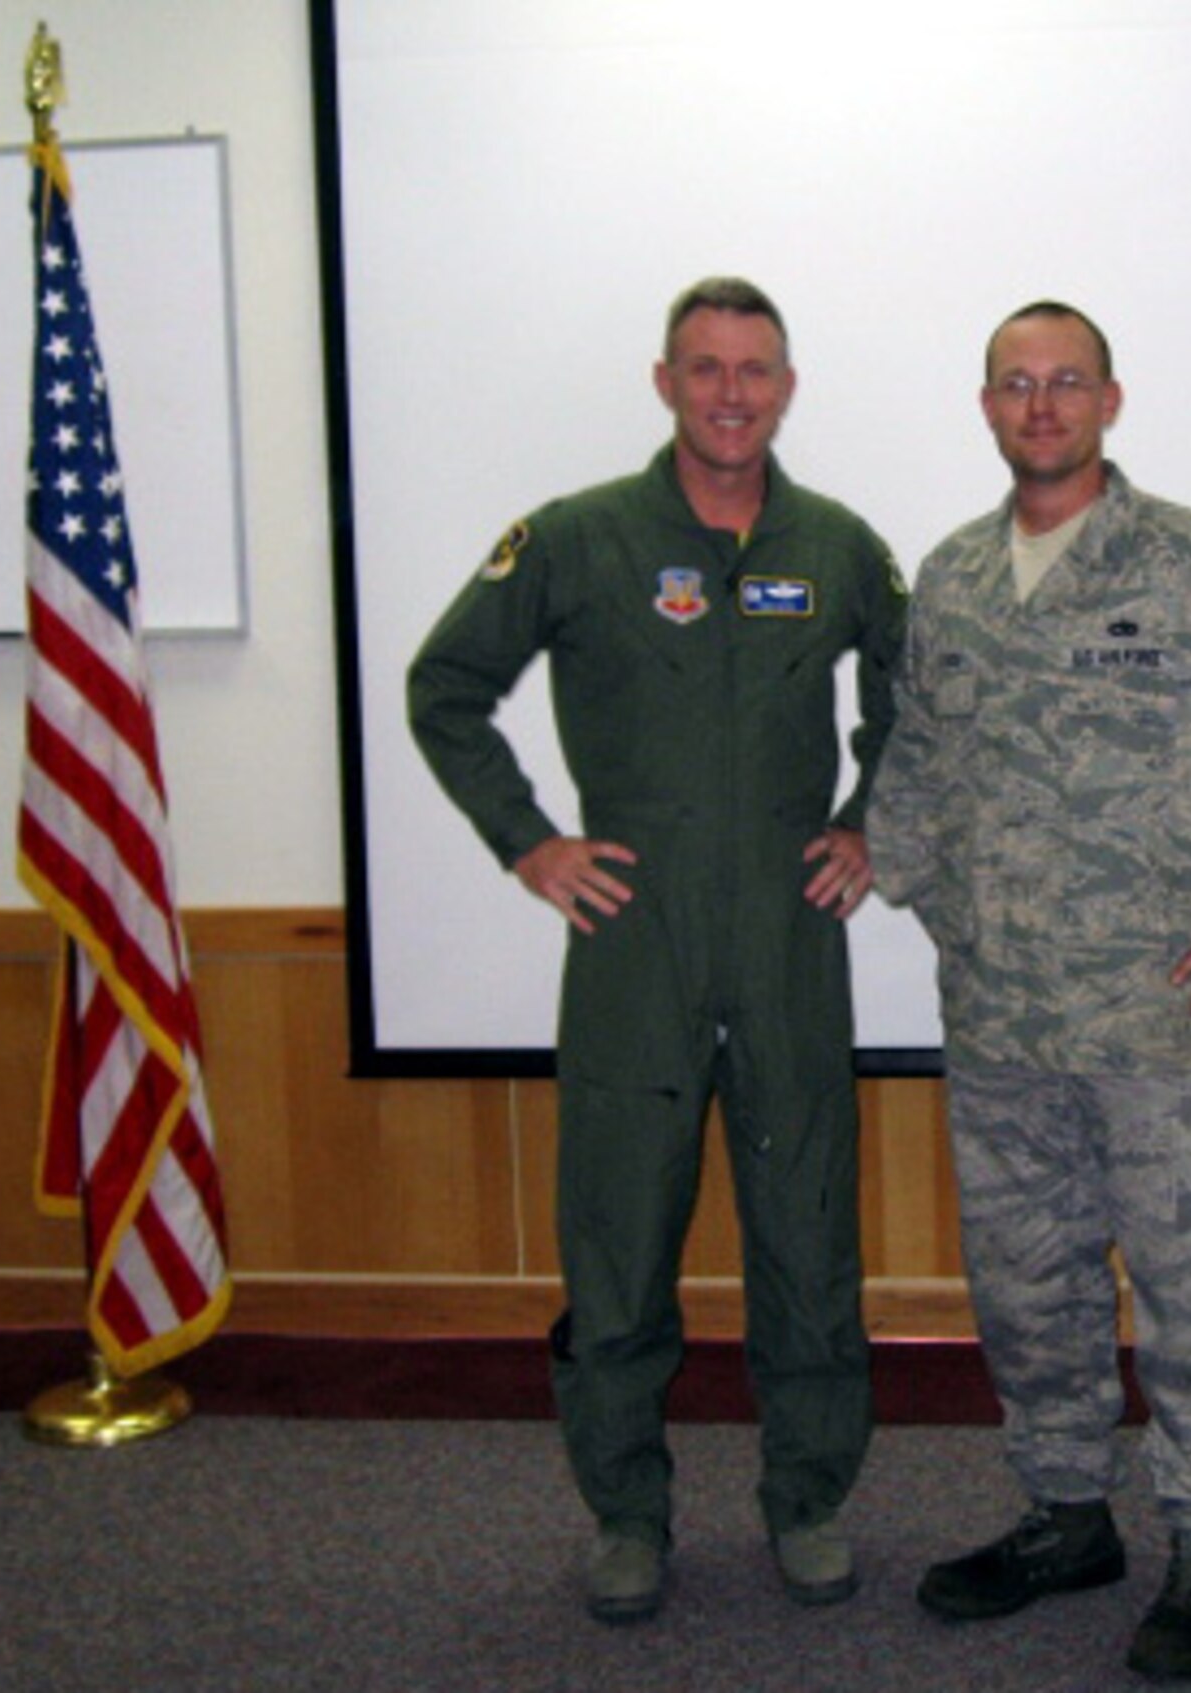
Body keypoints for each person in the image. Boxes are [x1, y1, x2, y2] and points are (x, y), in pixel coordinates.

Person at [868, 301, 1191, 1682]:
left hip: (1166, 1020)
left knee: (1185, 1286)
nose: (1041, 405)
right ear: (987, 407)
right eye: (1016, 385)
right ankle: (1064, 1511)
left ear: (1110, 400)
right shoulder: (958, 576)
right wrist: (907, 872)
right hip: (1002, 1017)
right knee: (1026, 1283)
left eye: (1066, 382)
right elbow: (913, 752)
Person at [408, 277, 906, 1624]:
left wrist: (870, 824)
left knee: (806, 1235)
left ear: (787, 387)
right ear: (666, 381)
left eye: (755, 368)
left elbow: (919, 708)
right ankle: (627, 1512)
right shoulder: (580, 539)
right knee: (618, 1240)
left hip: (794, 941)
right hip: (636, 944)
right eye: (706, 368)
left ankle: (806, 1498)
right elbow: (442, 688)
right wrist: (530, 842)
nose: (731, 392)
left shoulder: (843, 546)